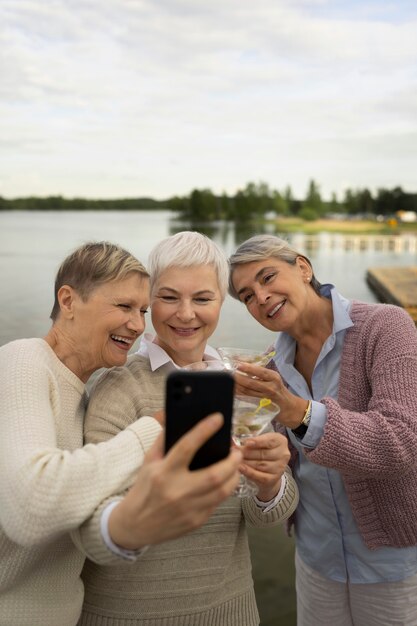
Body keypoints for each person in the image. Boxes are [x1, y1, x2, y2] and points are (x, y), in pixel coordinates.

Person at [0, 241, 244, 626]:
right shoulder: (22, 361)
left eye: (143, 310)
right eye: (123, 306)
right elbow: (30, 505)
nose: (137, 324)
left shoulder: (83, 391)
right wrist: (154, 429)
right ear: (68, 301)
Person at [77, 231, 298, 626]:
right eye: (168, 297)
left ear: (220, 303)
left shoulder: (244, 383)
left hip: (231, 610)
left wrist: (270, 483)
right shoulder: (117, 386)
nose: (185, 313)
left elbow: (265, 515)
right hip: (125, 614)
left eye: (202, 299)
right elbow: (90, 529)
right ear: (149, 300)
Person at [228, 234, 417, 626]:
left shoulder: (387, 326)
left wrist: (296, 410)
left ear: (302, 267)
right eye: (246, 295)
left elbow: (402, 440)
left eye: (267, 278)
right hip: (316, 563)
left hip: (395, 565)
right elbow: (281, 468)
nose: (260, 297)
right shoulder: (270, 367)